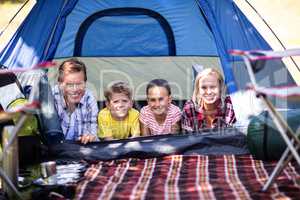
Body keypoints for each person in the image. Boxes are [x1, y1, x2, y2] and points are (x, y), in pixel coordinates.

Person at [52, 58, 98, 144]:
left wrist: (89, 136)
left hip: (81, 149)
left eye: (79, 84)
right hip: (56, 150)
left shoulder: (89, 98)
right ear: (60, 84)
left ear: (85, 83)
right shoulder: (51, 98)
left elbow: (92, 129)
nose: (75, 89)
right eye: (69, 84)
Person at [182, 68, 236, 132]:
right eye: (204, 87)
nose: (209, 92)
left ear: (220, 88)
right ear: (198, 90)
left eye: (213, 87)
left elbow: (235, 137)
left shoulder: (230, 105)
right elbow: (187, 138)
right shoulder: (190, 108)